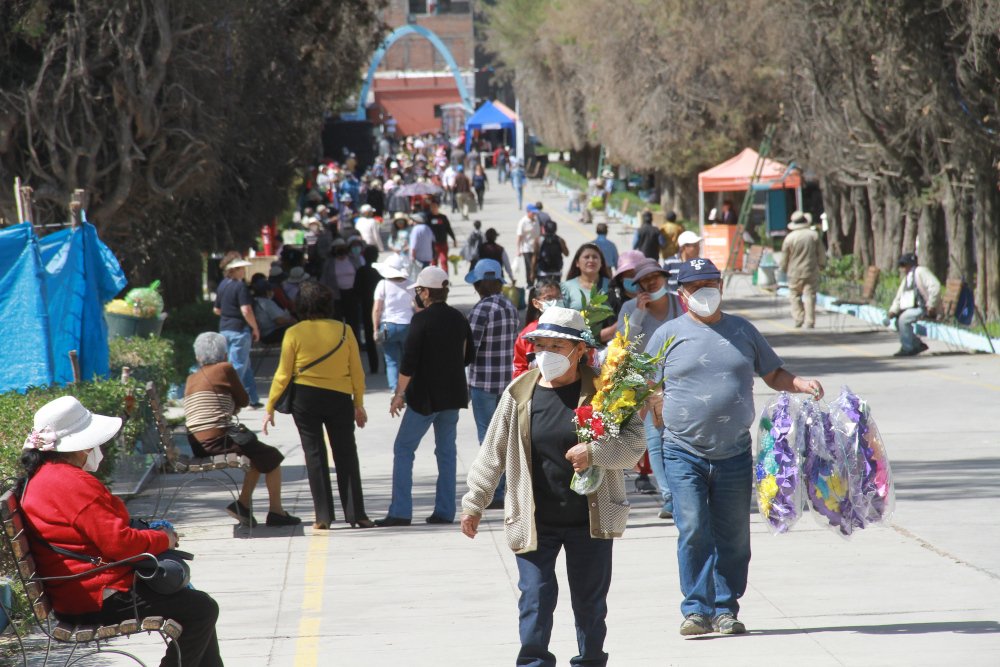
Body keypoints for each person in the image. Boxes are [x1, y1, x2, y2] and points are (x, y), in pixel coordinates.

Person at [645, 258, 824, 637]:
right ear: (683, 294)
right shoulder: (667, 334)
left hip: (734, 454)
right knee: (692, 527)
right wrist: (652, 403)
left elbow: (773, 373)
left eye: (711, 282)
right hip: (682, 450)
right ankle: (696, 610)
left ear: (722, 286)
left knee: (734, 536)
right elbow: (643, 382)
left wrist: (801, 382)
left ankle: (726, 609)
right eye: (697, 286)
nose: (705, 291)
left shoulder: (743, 330)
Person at [461, 307, 645, 667]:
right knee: (535, 596)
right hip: (535, 519)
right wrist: (474, 503)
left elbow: (634, 447)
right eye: (540, 345)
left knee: (590, 603)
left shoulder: (606, 391)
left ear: (579, 350)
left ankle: (590, 660)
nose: (545, 353)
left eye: (556, 346)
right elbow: (492, 453)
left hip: (589, 520)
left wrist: (595, 452)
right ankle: (533, 662)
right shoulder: (520, 393)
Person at [18, 396, 224, 666]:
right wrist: (165, 539)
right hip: (97, 596)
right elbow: (120, 544)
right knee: (201, 609)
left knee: (196, 604)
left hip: (75, 592)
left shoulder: (45, 477)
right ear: (82, 446)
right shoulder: (71, 482)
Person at [264, 281, 373, 530]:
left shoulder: (294, 332)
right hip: (339, 397)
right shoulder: (345, 330)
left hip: (305, 398)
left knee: (314, 454)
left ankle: (323, 516)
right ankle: (357, 514)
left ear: (301, 305)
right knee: (346, 453)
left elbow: (283, 373)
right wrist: (359, 403)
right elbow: (357, 371)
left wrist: (270, 406)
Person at [378, 267, 474, 526]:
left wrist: (399, 394)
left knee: (404, 449)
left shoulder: (420, 321)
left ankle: (400, 511)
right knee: (446, 452)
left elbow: (408, 363)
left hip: (425, 398)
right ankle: (445, 511)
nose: (416, 294)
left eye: (418, 290)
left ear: (427, 292)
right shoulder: (459, 318)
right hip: (453, 396)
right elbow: (468, 356)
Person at [184, 332, 300, 527]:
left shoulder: (191, 378)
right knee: (273, 456)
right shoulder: (225, 368)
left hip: (196, 442)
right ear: (224, 353)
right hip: (216, 438)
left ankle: (243, 505)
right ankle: (276, 512)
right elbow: (244, 400)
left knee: (257, 454)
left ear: (198, 356)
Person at [614, 260, 683, 516]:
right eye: (646, 279)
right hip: (648, 386)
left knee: (679, 440)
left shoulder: (679, 303)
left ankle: (685, 492)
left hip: (679, 382)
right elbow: (624, 345)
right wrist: (640, 313)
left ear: (664, 278)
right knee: (655, 441)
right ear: (639, 284)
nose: (652, 282)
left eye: (656, 276)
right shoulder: (630, 307)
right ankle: (669, 498)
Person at [465, 259, 520, 507]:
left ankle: (494, 492)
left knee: (487, 439)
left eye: (477, 283)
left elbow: (469, 349)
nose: (476, 287)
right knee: (506, 437)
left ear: (483, 283)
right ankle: (507, 489)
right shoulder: (509, 306)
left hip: (483, 384)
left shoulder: (481, 310)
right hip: (505, 382)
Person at [213, 252, 262, 408]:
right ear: (233, 270)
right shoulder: (240, 286)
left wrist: (229, 314)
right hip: (239, 330)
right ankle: (229, 400)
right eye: (240, 268)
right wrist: (255, 327)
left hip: (224, 329)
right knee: (238, 366)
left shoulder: (222, 285)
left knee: (244, 364)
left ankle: (252, 398)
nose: (243, 271)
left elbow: (217, 309)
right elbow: (246, 310)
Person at [371, 253, 416, 392]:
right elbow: (416, 306)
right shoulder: (410, 284)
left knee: (391, 361)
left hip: (386, 325)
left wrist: (375, 329)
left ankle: (393, 390)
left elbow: (377, 309)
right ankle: (406, 389)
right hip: (407, 325)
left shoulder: (382, 284)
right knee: (407, 360)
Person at [888, 252, 941, 357]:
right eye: (901, 265)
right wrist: (893, 311)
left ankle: (908, 348)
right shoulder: (907, 278)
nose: (903, 268)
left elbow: (935, 286)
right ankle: (916, 344)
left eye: (904, 265)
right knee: (898, 320)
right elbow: (899, 296)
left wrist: (931, 304)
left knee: (903, 319)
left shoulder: (921, 272)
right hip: (913, 308)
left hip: (924, 307)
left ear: (911, 264)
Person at [780, 210, 827, 329]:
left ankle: (798, 318)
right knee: (810, 296)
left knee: (795, 295)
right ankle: (810, 321)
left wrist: (783, 269)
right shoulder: (813, 235)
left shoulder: (789, 238)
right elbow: (821, 252)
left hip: (794, 272)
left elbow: (785, 256)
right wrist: (822, 265)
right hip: (810, 270)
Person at [512, 278, 563, 379]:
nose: (556, 302)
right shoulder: (528, 334)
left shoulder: (571, 328)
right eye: (549, 298)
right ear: (536, 303)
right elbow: (518, 370)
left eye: (559, 298)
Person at [355, 245, 383, 373]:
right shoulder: (381, 270)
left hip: (366, 307)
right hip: (381, 307)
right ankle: (387, 365)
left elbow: (356, 290)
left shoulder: (361, 271)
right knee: (384, 336)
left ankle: (374, 366)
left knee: (369, 335)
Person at [561, 243, 612, 311]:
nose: (591, 260)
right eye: (586, 257)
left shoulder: (611, 285)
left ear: (601, 263)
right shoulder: (566, 287)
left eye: (595, 257)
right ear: (577, 263)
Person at [250, 275, 296, 344]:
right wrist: (292, 321)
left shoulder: (256, 300)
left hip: (264, 332)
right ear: (267, 291)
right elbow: (279, 321)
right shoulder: (267, 302)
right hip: (271, 333)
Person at [428, 200, 457, 270]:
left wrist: (454, 239)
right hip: (433, 244)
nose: (434, 208)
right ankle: (434, 279)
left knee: (444, 261)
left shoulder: (443, 217)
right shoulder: (428, 218)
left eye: (435, 207)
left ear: (438, 207)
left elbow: (448, 229)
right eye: (432, 207)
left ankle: (445, 278)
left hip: (443, 243)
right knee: (434, 263)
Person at [517, 205, 541, 284]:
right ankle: (530, 283)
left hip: (535, 248)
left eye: (535, 213)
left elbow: (538, 235)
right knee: (529, 267)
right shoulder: (523, 222)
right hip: (526, 249)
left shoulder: (536, 220)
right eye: (533, 213)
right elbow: (519, 237)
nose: (534, 214)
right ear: (529, 212)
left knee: (536, 267)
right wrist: (518, 250)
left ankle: (537, 284)